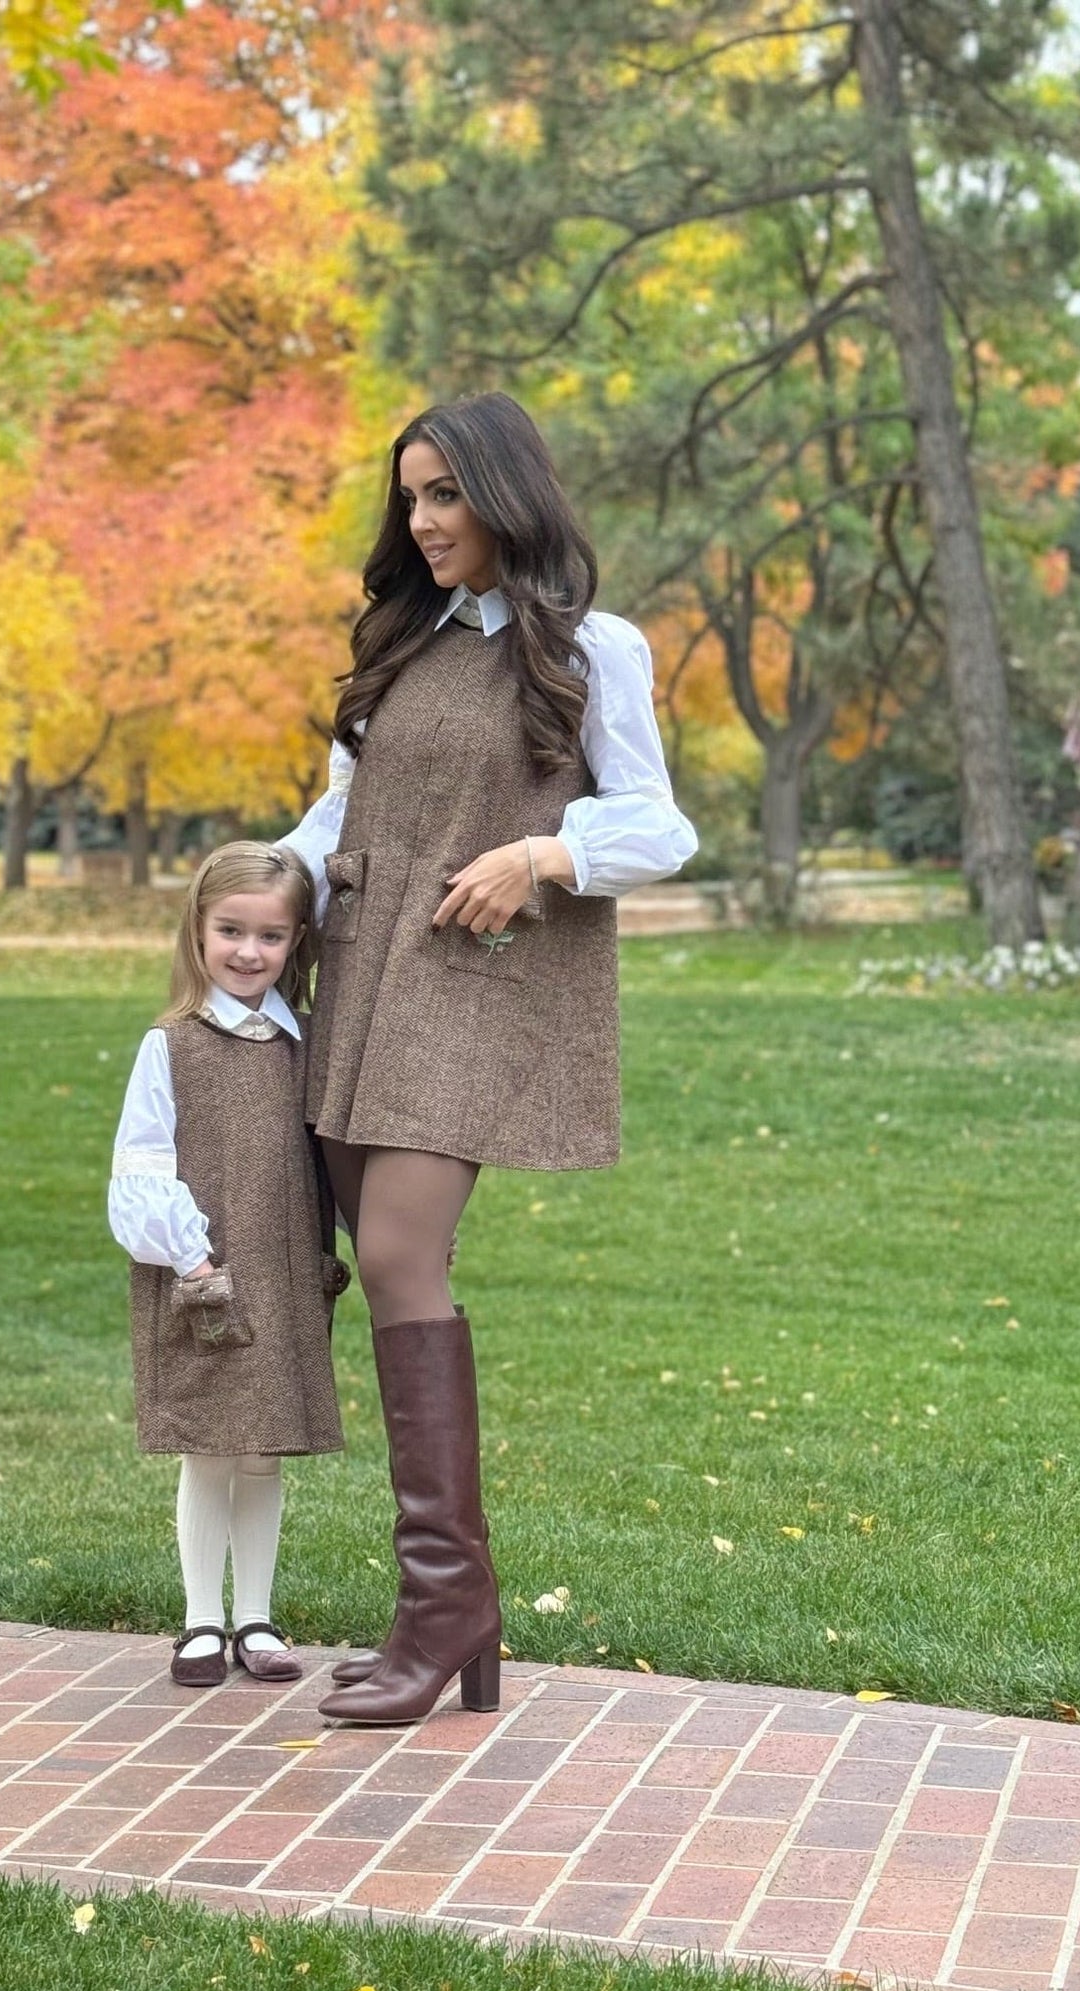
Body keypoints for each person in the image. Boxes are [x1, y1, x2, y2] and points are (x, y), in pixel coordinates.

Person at [282, 391, 697, 1725]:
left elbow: (659, 827)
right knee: (393, 1262)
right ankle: (453, 1609)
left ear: (506, 495)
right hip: (360, 971)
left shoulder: (591, 648)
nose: (423, 520)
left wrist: (544, 854)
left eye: (445, 494)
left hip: (474, 978)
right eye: (410, 498)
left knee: (401, 1255)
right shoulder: (410, 642)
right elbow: (342, 808)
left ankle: (444, 1598)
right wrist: (254, 890)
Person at [108, 841, 348, 1688]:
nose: (249, 952)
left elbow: (342, 1157)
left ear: (297, 943)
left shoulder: (306, 1046)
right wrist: (189, 1254)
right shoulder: (169, 1046)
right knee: (208, 1444)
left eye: (271, 936)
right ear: (199, 931)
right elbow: (141, 1160)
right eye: (231, 930)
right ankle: (200, 1620)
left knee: (264, 1450)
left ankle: (258, 1616)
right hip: (205, 1268)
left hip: (283, 1266)